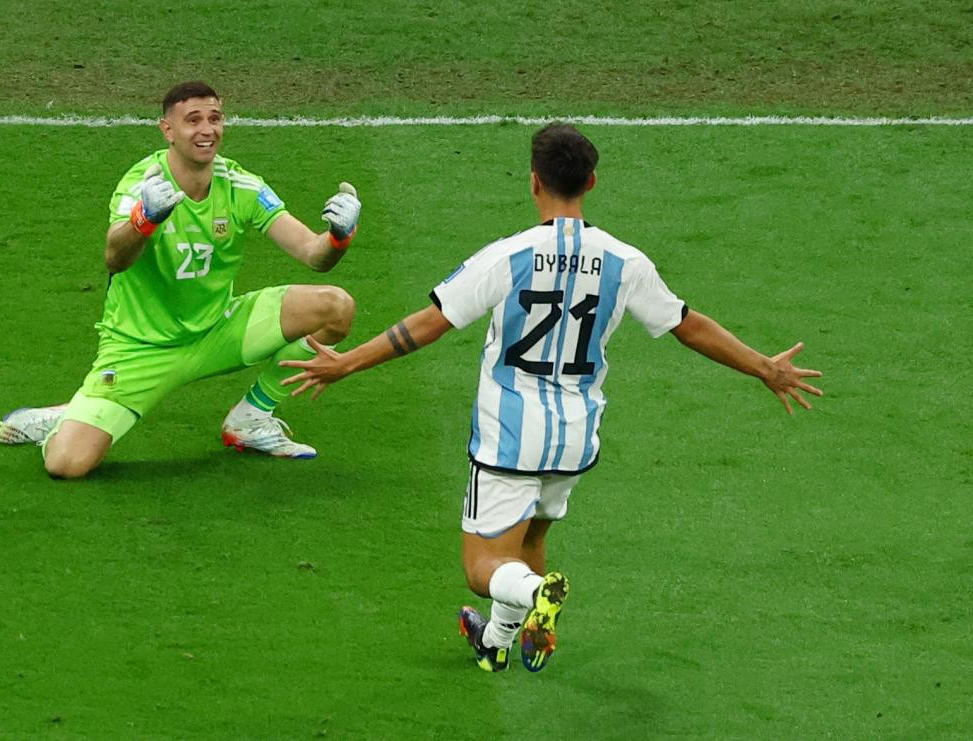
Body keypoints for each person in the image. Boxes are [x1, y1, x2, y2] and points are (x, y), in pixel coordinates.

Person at [280, 123, 824, 673]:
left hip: (509, 434)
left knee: (483, 565)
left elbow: (426, 326)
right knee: (531, 535)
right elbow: (688, 326)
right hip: (575, 434)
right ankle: (495, 642)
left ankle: (536, 596)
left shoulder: (508, 256)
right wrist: (765, 368)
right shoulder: (625, 261)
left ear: (534, 182)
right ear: (591, 180)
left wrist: (345, 362)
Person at [0, 81, 363, 478]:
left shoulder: (241, 186)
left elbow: (312, 254)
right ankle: (67, 418)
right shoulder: (142, 184)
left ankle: (251, 419)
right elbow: (115, 259)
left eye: (215, 119)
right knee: (66, 465)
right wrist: (145, 219)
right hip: (141, 349)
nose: (207, 130)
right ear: (167, 130)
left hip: (217, 331)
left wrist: (339, 237)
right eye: (193, 120)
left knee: (335, 308)